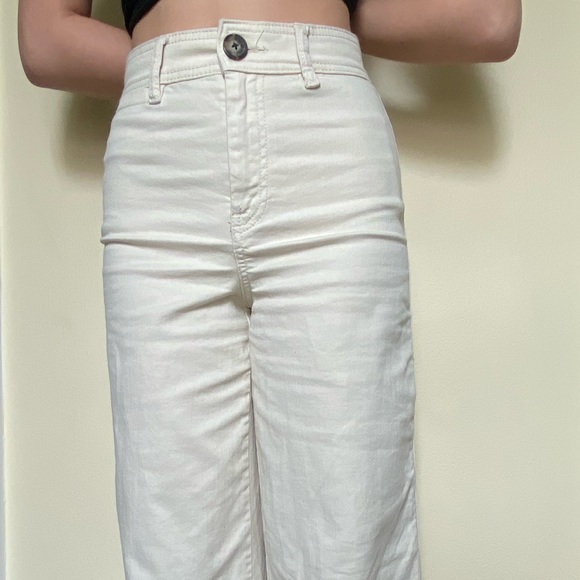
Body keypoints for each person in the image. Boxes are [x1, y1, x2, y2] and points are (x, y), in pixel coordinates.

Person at [18, 1, 522, 578]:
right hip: (163, 151)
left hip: (322, 141)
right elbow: (46, 39)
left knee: (347, 532)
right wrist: (200, 59)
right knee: (174, 543)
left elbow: (487, 18)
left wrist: (304, 33)